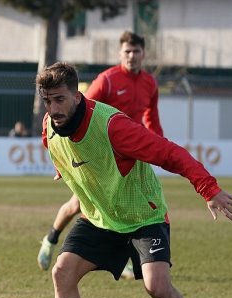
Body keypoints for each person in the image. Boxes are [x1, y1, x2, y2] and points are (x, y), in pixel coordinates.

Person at [33, 62, 232, 298]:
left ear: (77, 96)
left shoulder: (113, 127)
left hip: (143, 216)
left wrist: (209, 189)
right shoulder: (50, 125)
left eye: (60, 99)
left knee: (157, 287)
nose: (53, 108)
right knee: (62, 272)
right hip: (100, 219)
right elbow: (58, 148)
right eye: (47, 101)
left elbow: (171, 153)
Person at [37, 31, 164, 280]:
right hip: (99, 156)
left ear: (143, 54)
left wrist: (155, 148)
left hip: (130, 153)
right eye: (127, 51)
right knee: (78, 204)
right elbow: (77, 112)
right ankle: (50, 239)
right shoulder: (107, 80)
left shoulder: (150, 82)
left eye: (136, 51)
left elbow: (152, 118)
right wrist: (65, 156)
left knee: (136, 205)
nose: (131, 56)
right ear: (120, 54)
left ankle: (129, 255)